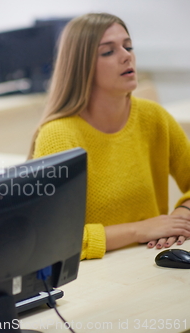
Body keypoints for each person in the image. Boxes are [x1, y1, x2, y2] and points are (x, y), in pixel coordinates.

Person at [29, 13, 190, 260]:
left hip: (151, 260)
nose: (127, 56)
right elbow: (49, 237)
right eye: (108, 52)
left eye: (128, 46)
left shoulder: (153, 117)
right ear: (81, 67)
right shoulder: (58, 137)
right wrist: (140, 230)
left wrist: (182, 215)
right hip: (94, 277)